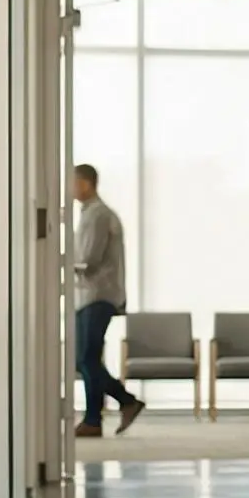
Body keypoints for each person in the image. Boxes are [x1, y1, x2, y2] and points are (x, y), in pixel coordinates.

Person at [72, 163, 145, 438]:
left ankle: (95, 419)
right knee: (84, 359)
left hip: (97, 295)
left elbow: (87, 260)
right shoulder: (90, 214)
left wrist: (55, 261)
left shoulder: (98, 215)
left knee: (86, 358)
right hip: (89, 296)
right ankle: (124, 403)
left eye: (72, 181)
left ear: (86, 184)